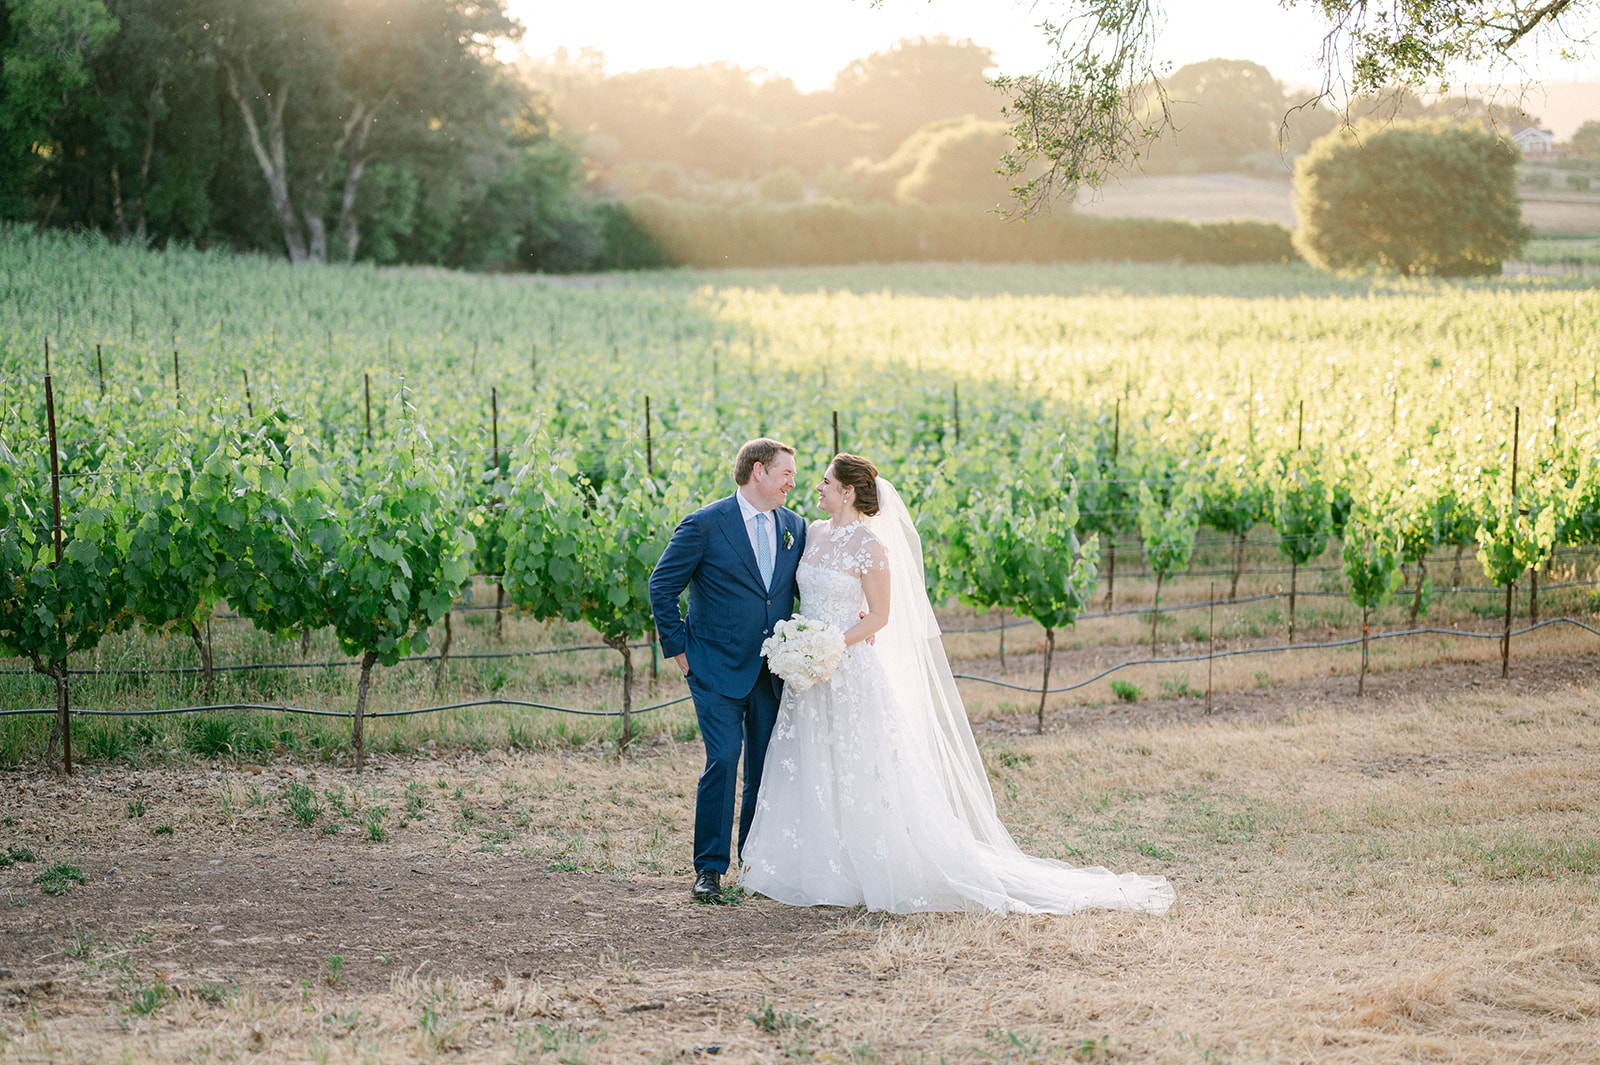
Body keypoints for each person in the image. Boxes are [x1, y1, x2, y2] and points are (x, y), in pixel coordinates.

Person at [740, 454, 1176, 916]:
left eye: (826, 482)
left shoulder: (871, 548)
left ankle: (866, 866)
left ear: (847, 492)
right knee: (809, 759)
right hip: (808, 673)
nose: (817, 487)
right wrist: (803, 645)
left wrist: (829, 644)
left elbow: (882, 616)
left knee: (857, 765)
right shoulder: (812, 532)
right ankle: (811, 864)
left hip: (844, 668)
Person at [649, 438, 808, 903]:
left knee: (763, 768)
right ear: (758, 471)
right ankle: (710, 870)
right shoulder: (704, 524)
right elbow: (662, 584)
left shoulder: (794, 526)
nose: (792, 483)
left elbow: (800, 591)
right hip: (714, 666)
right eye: (786, 473)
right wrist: (677, 647)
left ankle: (754, 863)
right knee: (723, 760)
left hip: (770, 671)